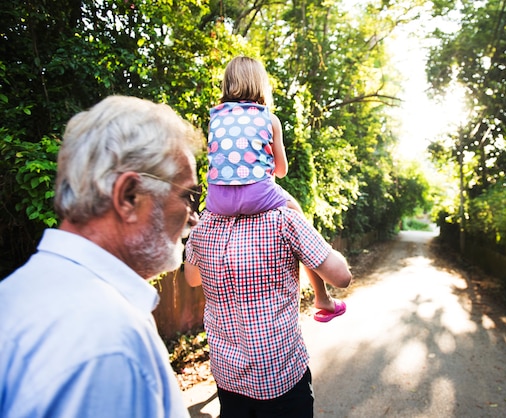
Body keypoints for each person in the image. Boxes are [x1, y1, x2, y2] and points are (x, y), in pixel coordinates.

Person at [0, 95, 203, 418]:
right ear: (129, 197)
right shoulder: (110, 343)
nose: (194, 217)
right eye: (189, 195)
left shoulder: (16, 293)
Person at [207, 56, 346, 322]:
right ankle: (322, 297)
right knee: (298, 214)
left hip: (217, 200)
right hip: (257, 194)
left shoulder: (215, 118)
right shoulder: (269, 119)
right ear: (260, 84)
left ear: (228, 84)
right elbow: (280, 171)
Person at [184, 207, 352, 417]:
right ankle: (323, 298)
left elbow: (192, 279)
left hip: (228, 377)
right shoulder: (283, 219)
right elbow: (342, 277)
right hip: (280, 378)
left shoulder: (204, 222)